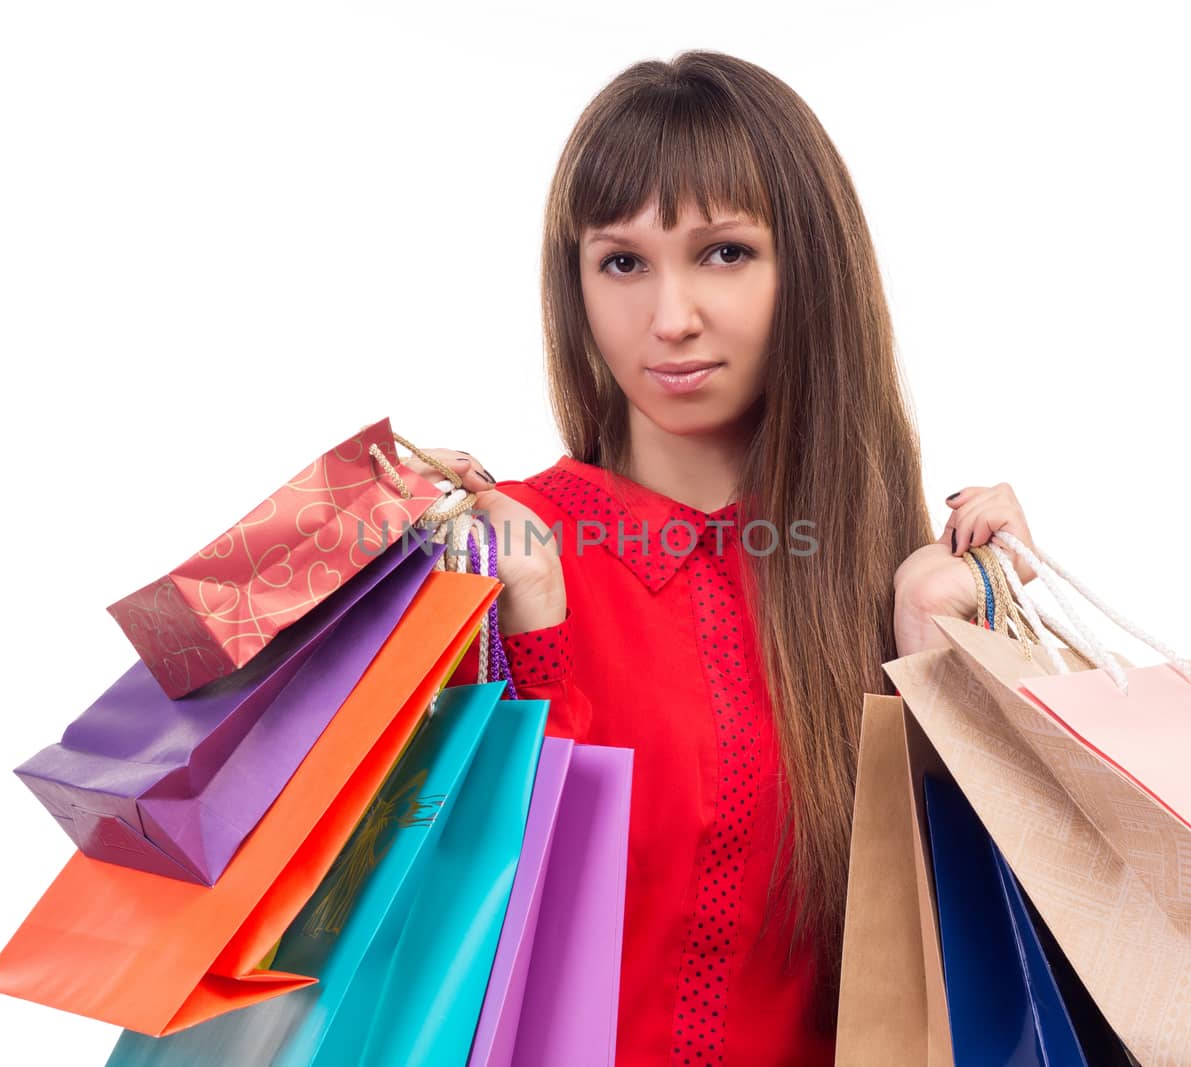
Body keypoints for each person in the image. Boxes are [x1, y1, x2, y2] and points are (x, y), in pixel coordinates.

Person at [415, 50, 1042, 1067]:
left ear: (809, 266)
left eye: (723, 253)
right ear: (572, 284)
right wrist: (516, 627)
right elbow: (437, 934)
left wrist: (955, 642)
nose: (670, 318)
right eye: (621, 261)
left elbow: (979, 977)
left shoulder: (879, 571)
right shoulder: (504, 551)